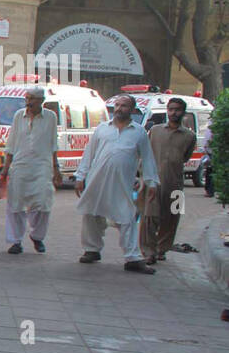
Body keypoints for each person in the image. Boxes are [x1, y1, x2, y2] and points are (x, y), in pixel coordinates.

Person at [74, 94, 160, 273]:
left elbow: (148, 158)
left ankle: (132, 257)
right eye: (117, 105)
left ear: (132, 110)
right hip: (97, 180)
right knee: (91, 213)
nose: (120, 108)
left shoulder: (139, 132)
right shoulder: (102, 129)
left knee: (126, 216)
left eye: (124, 106)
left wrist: (151, 182)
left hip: (122, 182)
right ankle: (92, 250)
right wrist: (80, 176)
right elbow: (88, 154)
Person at [0, 87, 61, 254]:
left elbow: (54, 145)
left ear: (41, 101)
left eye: (32, 98)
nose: (29, 102)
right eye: (27, 98)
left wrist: (57, 169)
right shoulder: (19, 115)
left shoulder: (51, 117)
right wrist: (5, 170)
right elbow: (11, 144)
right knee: (15, 205)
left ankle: (37, 236)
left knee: (43, 204)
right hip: (20, 166)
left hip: (42, 166)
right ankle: (15, 241)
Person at [140, 96, 197, 263]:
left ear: (183, 113)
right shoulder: (155, 130)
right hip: (153, 183)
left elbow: (185, 158)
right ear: (167, 111)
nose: (173, 112)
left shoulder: (189, 136)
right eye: (171, 109)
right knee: (149, 217)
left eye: (177, 110)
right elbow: (146, 154)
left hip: (176, 183)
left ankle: (161, 249)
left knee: (173, 217)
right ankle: (148, 252)